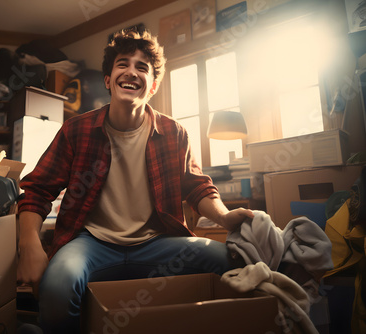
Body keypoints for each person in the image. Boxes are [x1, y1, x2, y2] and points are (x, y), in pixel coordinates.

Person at [17, 29, 254, 334]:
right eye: (123, 64)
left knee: (232, 261)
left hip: (159, 242)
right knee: (58, 286)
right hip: (91, 244)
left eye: (142, 67)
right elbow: (37, 189)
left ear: (152, 86)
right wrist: (29, 244)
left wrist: (224, 215)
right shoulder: (76, 130)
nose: (131, 71)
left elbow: (196, 186)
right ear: (108, 80)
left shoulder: (175, 133)